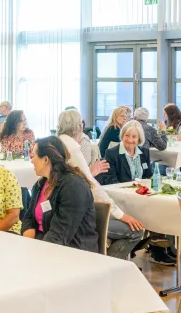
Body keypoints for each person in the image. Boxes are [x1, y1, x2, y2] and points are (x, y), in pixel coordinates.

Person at [17, 137, 98, 313]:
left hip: (75, 252)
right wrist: (27, 238)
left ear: (46, 159)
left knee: (25, 272)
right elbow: (29, 217)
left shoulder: (72, 185)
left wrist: (30, 252)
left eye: (33, 155)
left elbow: (62, 235)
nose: (30, 160)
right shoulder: (41, 184)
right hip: (46, 244)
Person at [56, 110, 144, 261]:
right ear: (79, 126)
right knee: (136, 231)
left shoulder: (55, 143)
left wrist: (89, 174)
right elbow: (91, 186)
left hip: (62, 212)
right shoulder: (73, 148)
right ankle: (104, 265)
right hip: (77, 215)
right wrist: (122, 215)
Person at [99, 120, 152, 185]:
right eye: (127, 135)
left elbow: (148, 176)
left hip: (141, 192)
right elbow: (111, 181)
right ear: (122, 136)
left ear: (139, 139)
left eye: (134, 136)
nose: (130, 140)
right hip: (120, 193)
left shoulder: (144, 152)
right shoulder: (111, 153)